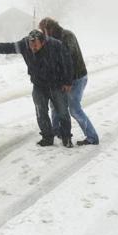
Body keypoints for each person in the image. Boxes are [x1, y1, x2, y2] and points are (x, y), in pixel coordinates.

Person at [0, 29, 75, 148]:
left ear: (43, 42)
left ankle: (66, 137)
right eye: (31, 45)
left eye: (35, 45)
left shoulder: (55, 45)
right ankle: (47, 137)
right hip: (39, 86)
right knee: (40, 112)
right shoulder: (24, 44)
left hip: (56, 84)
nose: (33, 48)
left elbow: (67, 62)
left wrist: (68, 82)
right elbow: (9, 47)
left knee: (62, 112)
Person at [39, 17, 100, 146]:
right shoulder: (51, 40)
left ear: (48, 28)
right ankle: (56, 131)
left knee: (74, 109)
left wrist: (67, 82)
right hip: (64, 79)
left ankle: (92, 137)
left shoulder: (67, 36)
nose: (42, 34)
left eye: (42, 30)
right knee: (55, 105)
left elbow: (68, 57)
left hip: (76, 78)